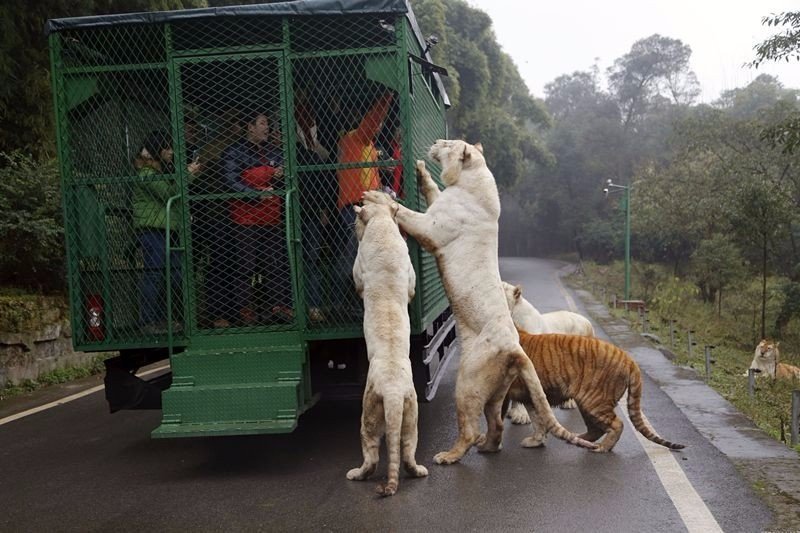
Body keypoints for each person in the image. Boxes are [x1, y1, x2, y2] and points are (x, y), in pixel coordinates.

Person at [222, 110, 291, 326]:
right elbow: (230, 181)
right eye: (262, 123)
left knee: (274, 263)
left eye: (267, 124)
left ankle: (277, 307)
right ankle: (244, 310)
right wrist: (257, 191)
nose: (267, 128)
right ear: (250, 127)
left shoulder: (274, 151)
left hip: (272, 217)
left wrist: (278, 175)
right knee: (246, 265)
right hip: (246, 219)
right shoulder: (235, 152)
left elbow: (283, 177)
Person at [133, 129, 200, 334]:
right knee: (154, 274)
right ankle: (148, 320)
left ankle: (164, 318)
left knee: (174, 274)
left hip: (167, 229)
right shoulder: (147, 173)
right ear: (158, 149)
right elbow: (168, 194)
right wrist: (187, 174)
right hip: (153, 230)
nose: (171, 152)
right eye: (168, 147)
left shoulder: (159, 171)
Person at [335, 90, 394, 314]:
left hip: (364, 206)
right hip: (354, 208)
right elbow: (375, 118)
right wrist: (387, 94)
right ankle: (347, 306)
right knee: (354, 255)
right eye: (373, 123)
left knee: (361, 254)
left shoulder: (366, 145)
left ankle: (353, 304)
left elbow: (370, 178)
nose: (378, 127)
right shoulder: (356, 138)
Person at [295, 87, 335, 323]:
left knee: (311, 258)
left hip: (311, 210)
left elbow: (321, 180)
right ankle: (294, 308)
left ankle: (314, 305)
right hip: (290, 211)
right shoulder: (290, 142)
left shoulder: (316, 144)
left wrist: (322, 208)